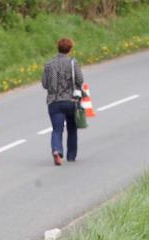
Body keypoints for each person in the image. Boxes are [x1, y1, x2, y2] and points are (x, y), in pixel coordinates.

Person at [41, 38, 84, 166]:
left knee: (57, 129)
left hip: (54, 101)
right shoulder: (72, 62)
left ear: (58, 48)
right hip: (71, 100)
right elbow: (80, 80)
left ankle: (56, 150)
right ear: (70, 49)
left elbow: (44, 84)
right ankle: (71, 156)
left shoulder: (49, 64)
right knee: (72, 128)